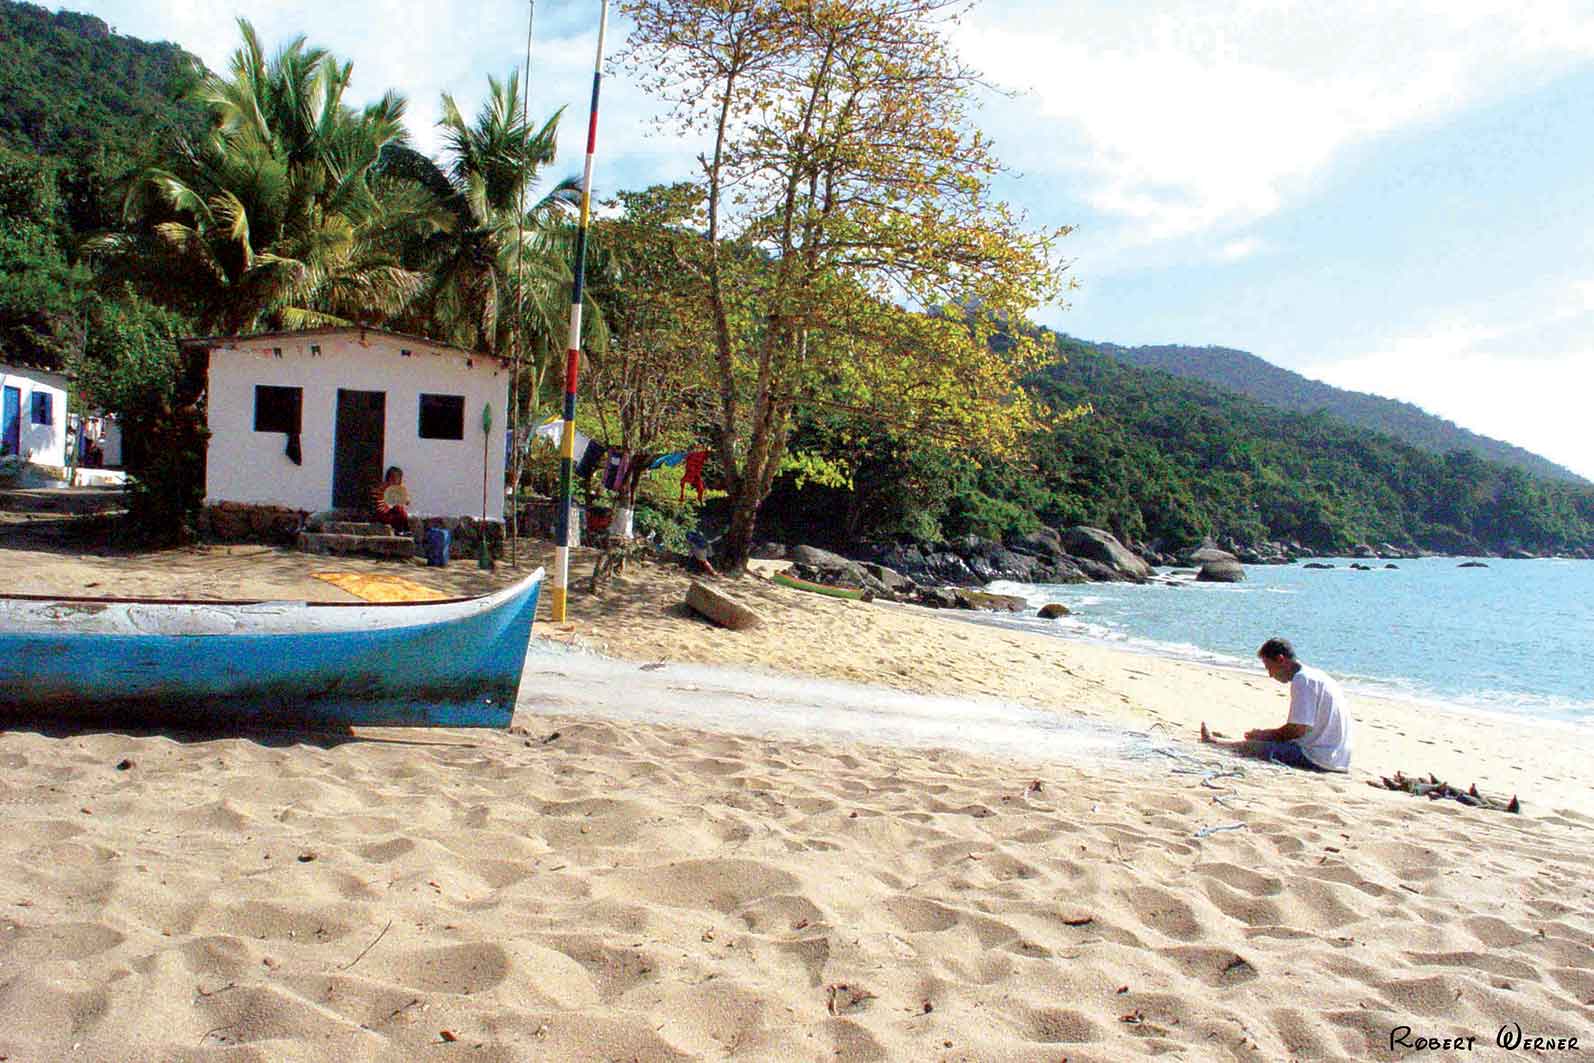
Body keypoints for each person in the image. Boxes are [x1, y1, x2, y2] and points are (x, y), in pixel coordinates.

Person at [1200, 637, 1354, 773]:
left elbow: (1297, 730)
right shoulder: (1317, 676)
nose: (1270, 674)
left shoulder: (1302, 680)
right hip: (1339, 757)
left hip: (1319, 757)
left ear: (1281, 660)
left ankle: (1216, 743)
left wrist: (1264, 735)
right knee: (1265, 741)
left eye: (1269, 668)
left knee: (1254, 747)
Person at [374, 466, 412, 536]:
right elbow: (379, 503)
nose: (394, 480)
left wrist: (404, 500)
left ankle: (405, 529)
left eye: (397, 478)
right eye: (392, 478)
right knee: (396, 511)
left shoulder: (400, 488)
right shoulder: (383, 488)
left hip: (395, 512)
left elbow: (407, 501)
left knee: (401, 511)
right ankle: (398, 530)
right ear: (388, 478)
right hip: (384, 513)